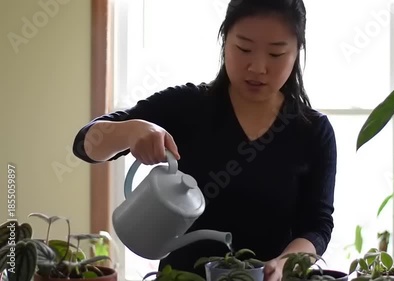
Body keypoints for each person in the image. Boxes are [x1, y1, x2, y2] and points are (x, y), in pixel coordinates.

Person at [72, 0, 337, 280]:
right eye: (244, 48)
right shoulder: (188, 106)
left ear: (297, 52)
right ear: (224, 42)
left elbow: (317, 226)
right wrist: (131, 131)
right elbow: (85, 144)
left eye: (276, 53)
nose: (258, 67)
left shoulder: (312, 131)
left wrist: (284, 263)